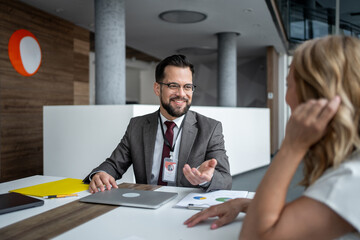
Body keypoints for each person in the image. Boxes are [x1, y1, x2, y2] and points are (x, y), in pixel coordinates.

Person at [184, 35, 360, 239]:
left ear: (315, 94)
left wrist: (291, 148)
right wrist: (246, 204)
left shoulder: (351, 177)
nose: (286, 98)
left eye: (288, 85)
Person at [83, 55, 232, 193]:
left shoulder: (210, 128)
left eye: (187, 86)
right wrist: (101, 174)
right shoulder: (137, 126)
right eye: (173, 85)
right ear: (157, 88)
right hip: (147, 206)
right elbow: (114, 164)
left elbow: (225, 180)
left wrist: (207, 179)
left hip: (186, 209)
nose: (181, 93)